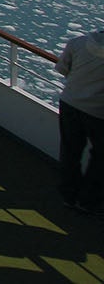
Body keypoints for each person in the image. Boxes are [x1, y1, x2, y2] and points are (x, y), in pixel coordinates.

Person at [56, 25, 104, 215]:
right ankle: (89, 200)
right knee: (100, 158)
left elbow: (63, 68)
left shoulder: (78, 43)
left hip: (70, 103)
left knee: (70, 150)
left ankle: (68, 194)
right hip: (99, 113)